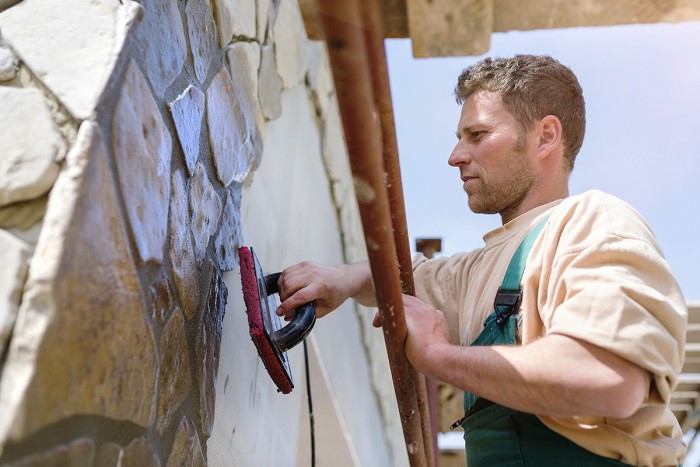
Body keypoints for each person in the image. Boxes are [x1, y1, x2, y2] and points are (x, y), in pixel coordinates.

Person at [275, 55, 688, 466]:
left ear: (545, 136)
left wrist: (437, 356)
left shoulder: (591, 223)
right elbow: (409, 277)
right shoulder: (479, 271)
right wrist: (340, 279)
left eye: (477, 134)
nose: (455, 156)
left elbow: (608, 379)